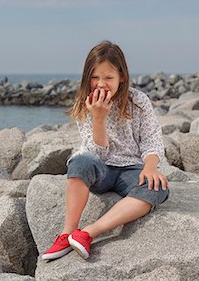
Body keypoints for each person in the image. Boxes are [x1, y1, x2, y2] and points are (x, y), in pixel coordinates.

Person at [42, 40, 169, 261]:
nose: (101, 84)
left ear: (122, 77)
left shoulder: (138, 101)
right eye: (95, 77)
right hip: (100, 168)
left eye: (109, 78)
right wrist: (98, 118)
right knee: (79, 162)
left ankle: (87, 233)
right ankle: (67, 232)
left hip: (131, 169)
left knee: (157, 188)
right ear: (87, 78)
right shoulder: (84, 103)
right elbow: (95, 154)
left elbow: (151, 140)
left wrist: (150, 167)